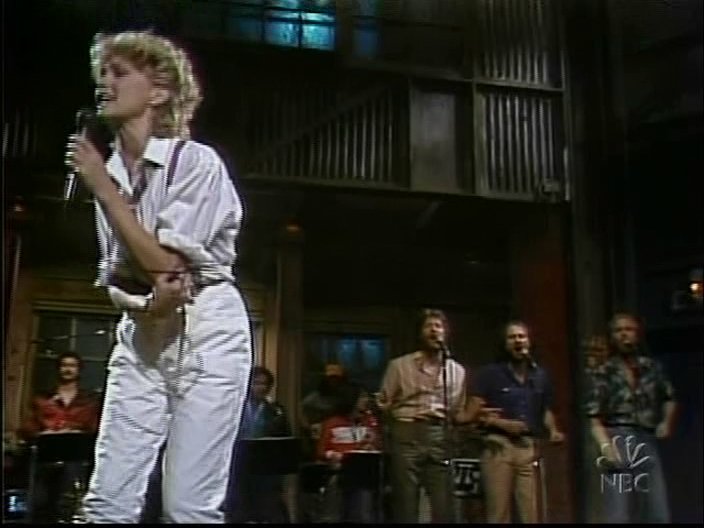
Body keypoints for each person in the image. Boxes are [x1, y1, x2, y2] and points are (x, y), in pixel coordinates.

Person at [67, 30, 252, 523]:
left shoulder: (195, 163)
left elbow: (166, 264)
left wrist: (104, 191)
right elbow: (123, 270)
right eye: (101, 73)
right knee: (107, 502)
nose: (104, 83)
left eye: (119, 73)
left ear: (159, 91)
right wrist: (148, 300)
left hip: (207, 331)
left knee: (187, 505)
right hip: (143, 333)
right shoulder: (110, 172)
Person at [469, 320, 565, 523]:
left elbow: (546, 409)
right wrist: (501, 424)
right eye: (512, 337)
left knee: (532, 512)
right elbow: (472, 413)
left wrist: (553, 430)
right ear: (504, 344)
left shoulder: (540, 375)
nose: (518, 341)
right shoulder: (490, 374)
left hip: (528, 447)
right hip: (498, 446)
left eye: (522, 336)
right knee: (499, 513)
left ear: (529, 342)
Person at [586, 312, 677, 523]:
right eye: (618, 331)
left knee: (657, 509)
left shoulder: (651, 368)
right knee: (618, 512)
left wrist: (665, 422)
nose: (624, 335)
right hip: (617, 436)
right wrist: (605, 446)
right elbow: (593, 415)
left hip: (646, 437)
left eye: (628, 330)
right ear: (612, 336)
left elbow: (669, 398)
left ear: (637, 334)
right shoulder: (603, 372)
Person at [378, 308, 467, 523]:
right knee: (406, 499)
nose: (434, 330)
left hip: (439, 434)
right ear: (420, 332)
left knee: (443, 501)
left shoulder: (457, 371)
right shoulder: (399, 366)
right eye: (429, 326)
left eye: (438, 326)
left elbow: (456, 409)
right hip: (406, 431)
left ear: (446, 332)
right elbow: (383, 404)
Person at [18, 352, 100, 522]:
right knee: (40, 502)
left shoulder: (88, 400)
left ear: (79, 370)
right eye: (64, 365)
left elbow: (95, 428)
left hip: (75, 457)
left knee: (68, 502)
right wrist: (41, 433)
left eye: (72, 366)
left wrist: (77, 432)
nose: (68, 369)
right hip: (45, 457)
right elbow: (27, 427)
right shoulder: (43, 398)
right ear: (58, 369)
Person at [227, 366, 292, 523]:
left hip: (266, 469)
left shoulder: (276, 410)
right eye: (256, 383)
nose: (261, 387)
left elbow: (285, 440)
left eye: (265, 384)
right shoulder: (235, 408)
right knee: (240, 510)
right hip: (238, 466)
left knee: (269, 509)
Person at [317, 383, 381, 523]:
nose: (366, 400)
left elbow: (378, 448)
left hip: (363, 473)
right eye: (362, 397)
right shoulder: (332, 423)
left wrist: (372, 443)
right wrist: (334, 455)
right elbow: (321, 451)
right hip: (340, 470)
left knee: (364, 498)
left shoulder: (369, 422)